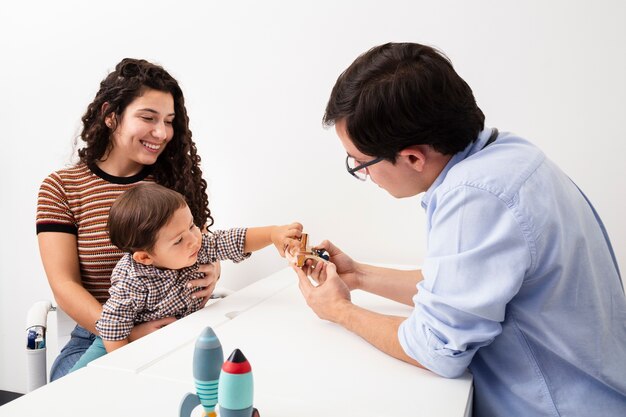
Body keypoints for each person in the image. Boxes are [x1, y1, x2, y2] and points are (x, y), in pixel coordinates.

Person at [293, 42, 626, 416]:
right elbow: (465, 288)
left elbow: (436, 350)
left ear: (414, 157)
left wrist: (340, 310)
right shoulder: (511, 155)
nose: (365, 174)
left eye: (360, 164)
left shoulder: (474, 196)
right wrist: (360, 275)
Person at [35, 58, 294, 381]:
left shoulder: (170, 182)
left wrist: (212, 270)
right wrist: (129, 335)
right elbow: (64, 285)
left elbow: (203, 244)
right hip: (99, 336)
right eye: (148, 117)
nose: (162, 132)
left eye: (170, 121)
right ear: (111, 116)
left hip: (183, 326)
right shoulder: (63, 188)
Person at [68, 183, 301, 369]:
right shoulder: (133, 281)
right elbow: (112, 327)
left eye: (191, 225)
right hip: (120, 341)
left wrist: (273, 234)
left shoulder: (195, 247)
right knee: (79, 382)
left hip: (179, 335)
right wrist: (126, 365)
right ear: (145, 257)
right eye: (179, 239)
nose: (193, 239)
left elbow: (234, 240)